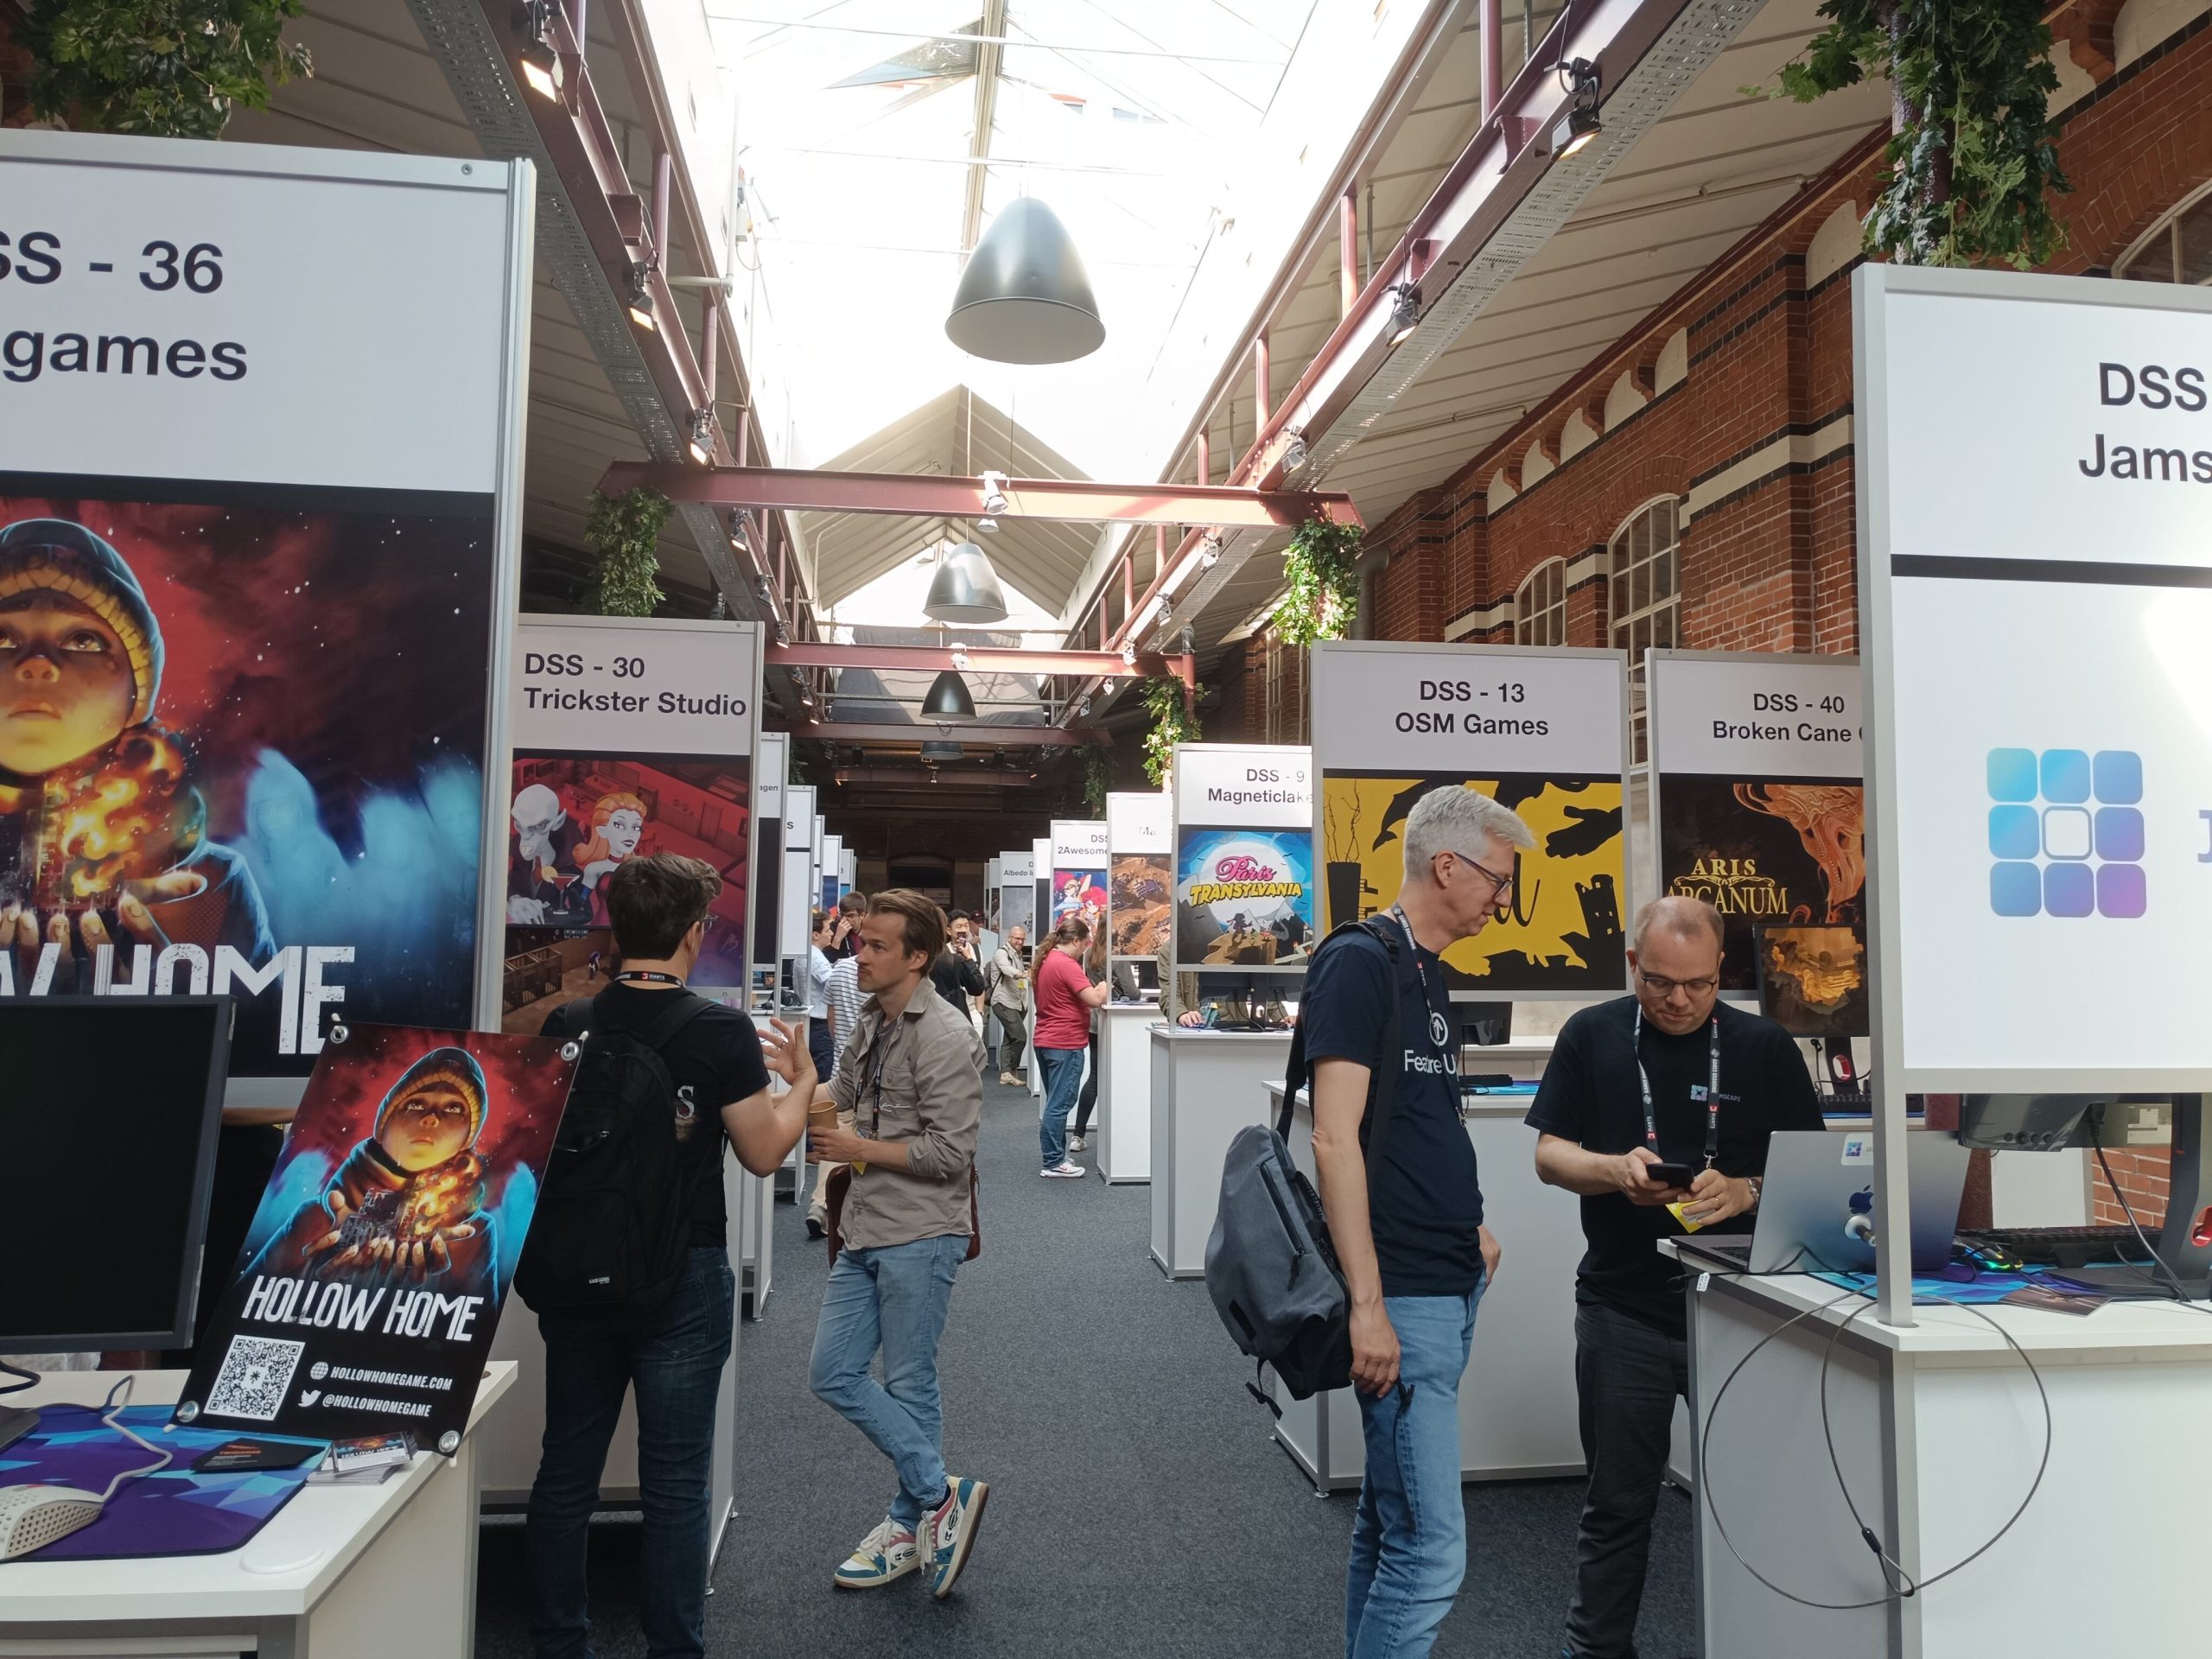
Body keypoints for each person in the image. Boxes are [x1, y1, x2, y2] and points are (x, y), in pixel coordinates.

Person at [524, 854, 814, 1659]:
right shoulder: (719, 1030)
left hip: (575, 1273)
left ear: (617, 929)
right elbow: (764, 1152)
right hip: (684, 1271)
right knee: (677, 1486)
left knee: (565, 1474)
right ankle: (674, 1649)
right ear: (694, 933)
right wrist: (802, 1084)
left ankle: (557, 1643)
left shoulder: (567, 1024)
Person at [1528, 894, 1821, 1659]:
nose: (1680, 1000)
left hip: (1746, 1311)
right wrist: (1613, 1170)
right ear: (1634, 964)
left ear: (1721, 968)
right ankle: (1597, 1650)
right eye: (1659, 982)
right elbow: (1549, 1155)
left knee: (1762, 1498)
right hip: (1624, 1307)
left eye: (1698, 984)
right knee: (1618, 1505)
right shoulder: (1592, 1034)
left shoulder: (1765, 1047)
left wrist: (1747, 1190)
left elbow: (1813, 1173)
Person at [1304, 786, 1528, 1659]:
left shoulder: (1424, 969)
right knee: (1431, 1553)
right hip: (1402, 1292)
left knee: (1389, 1523)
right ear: (1446, 866)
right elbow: (1334, 1138)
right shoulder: (1358, 962)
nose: (1503, 899)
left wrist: (1470, 1225)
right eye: (1497, 879)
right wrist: (1368, 1305)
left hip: (1447, 1276)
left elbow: (1416, 1120)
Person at [798, 890, 989, 1599]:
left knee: (910, 1382)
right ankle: (939, 1495)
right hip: (865, 1225)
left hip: (921, 1231)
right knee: (831, 1372)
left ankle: (908, 1525)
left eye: (878, 946)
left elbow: (951, 1153)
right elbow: (844, 1090)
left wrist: (859, 1149)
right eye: (861, 941)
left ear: (918, 957)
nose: (861, 955)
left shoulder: (945, 1035)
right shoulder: (874, 1020)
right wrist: (797, 1084)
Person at [1033, 916, 1107, 1178]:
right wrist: (1103, 986)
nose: (1085, 950)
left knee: (1055, 1102)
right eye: (1084, 944)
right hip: (1064, 1043)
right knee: (1059, 1104)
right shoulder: (1066, 965)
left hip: (1046, 1039)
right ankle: (1053, 1161)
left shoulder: (1046, 961)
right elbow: (1095, 999)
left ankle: (1056, 1157)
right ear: (1075, 941)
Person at [808, 929, 868, 1241]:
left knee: (837, 1135)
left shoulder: (840, 968)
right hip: (869, 1073)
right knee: (864, 1141)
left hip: (840, 1066)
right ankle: (848, 1208)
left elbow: (831, 1019)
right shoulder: (884, 978)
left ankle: (821, 1204)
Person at [1068, 923, 1109, 1153]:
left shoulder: (1089, 954)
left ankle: (1078, 1134)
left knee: (1094, 1077)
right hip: (1112, 1024)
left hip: (1094, 1022)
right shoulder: (1115, 955)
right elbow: (1132, 991)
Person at [984, 924, 1031, 1087]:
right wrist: (1022, 974)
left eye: (1022, 939)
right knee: (1020, 1037)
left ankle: (1006, 1074)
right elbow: (1006, 969)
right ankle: (1012, 1069)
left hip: (1017, 1002)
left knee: (1010, 1038)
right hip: (1003, 1001)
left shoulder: (1018, 955)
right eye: (1017, 938)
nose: (1020, 941)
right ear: (1009, 937)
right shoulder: (1001, 953)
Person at [930, 910, 986, 1027]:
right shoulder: (943, 954)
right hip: (950, 1013)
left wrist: (979, 1012)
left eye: (966, 926)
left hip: (972, 1012)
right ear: (949, 931)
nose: (964, 930)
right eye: (959, 926)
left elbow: (980, 983)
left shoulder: (976, 950)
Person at [807, 909, 837, 1079]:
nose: (831, 933)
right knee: (824, 1076)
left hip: (813, 1023)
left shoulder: (809, 954)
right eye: (827, 930)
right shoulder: (815, 957)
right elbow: (833, 983)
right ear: (815, 935)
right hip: (819, 1024)